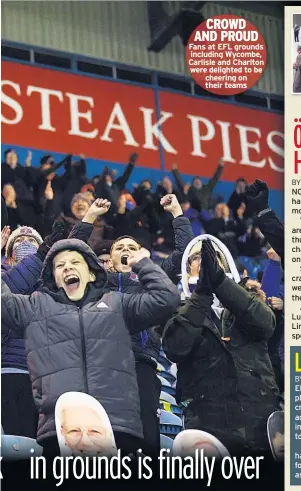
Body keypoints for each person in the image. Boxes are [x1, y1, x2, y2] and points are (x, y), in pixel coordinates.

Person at [1, 203, 180, 456]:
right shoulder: (39, 304)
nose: (68, 268)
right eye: (60, 265)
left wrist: (142, 263)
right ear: (51, 275)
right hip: (59, 425)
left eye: (75, 263)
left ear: (93, 272)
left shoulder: (116, 303)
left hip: (117, 419)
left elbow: (165, 299)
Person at [162, 239, 279, 456]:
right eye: (195, 258)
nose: (204, 261)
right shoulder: (177, 309)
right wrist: (202, 295)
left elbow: (265, 325)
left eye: (211, 257)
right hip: (207, 426)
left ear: (223, 267)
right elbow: (175, 347)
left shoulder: (249, 299)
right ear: (186, 273)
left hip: (259, 422)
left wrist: (220, 283)